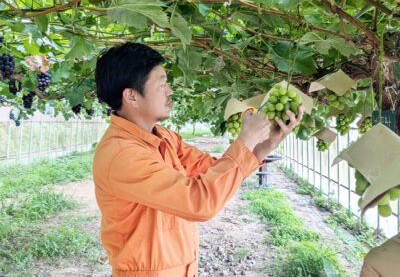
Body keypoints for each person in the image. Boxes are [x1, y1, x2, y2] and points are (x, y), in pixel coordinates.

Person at [93, 42, 303, 277]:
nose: (170, 91)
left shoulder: (164, 137)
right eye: (162, 84)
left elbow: (212, 170)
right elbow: (200, 202)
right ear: (131, 96)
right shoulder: (122, 155)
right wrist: (245, 139)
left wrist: (261, 147)